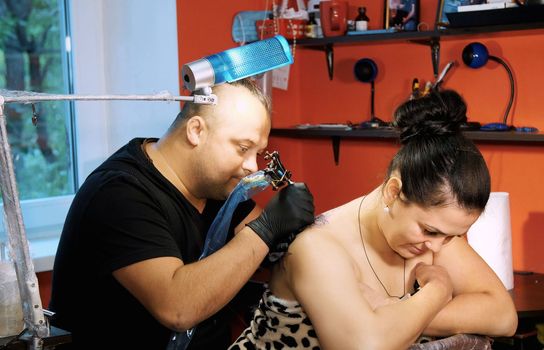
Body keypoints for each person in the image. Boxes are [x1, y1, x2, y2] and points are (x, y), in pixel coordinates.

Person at [230, 90, 518, 349]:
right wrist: (438, 291)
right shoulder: (316, 246)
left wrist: (392, 313)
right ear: (394, 192)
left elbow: (504, 316)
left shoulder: (435, 238)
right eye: (430, 230)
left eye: (452, 236)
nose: (437, 247)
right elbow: (366, 345)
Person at [49, 78, 315, 349]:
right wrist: (268, 229)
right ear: (196, 131)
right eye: (243, 149)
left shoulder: (214, 186)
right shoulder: (118, 194)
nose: (251, 166)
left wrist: (285, 232)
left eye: (257, 153)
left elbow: (269, 237)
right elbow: (177, 308)